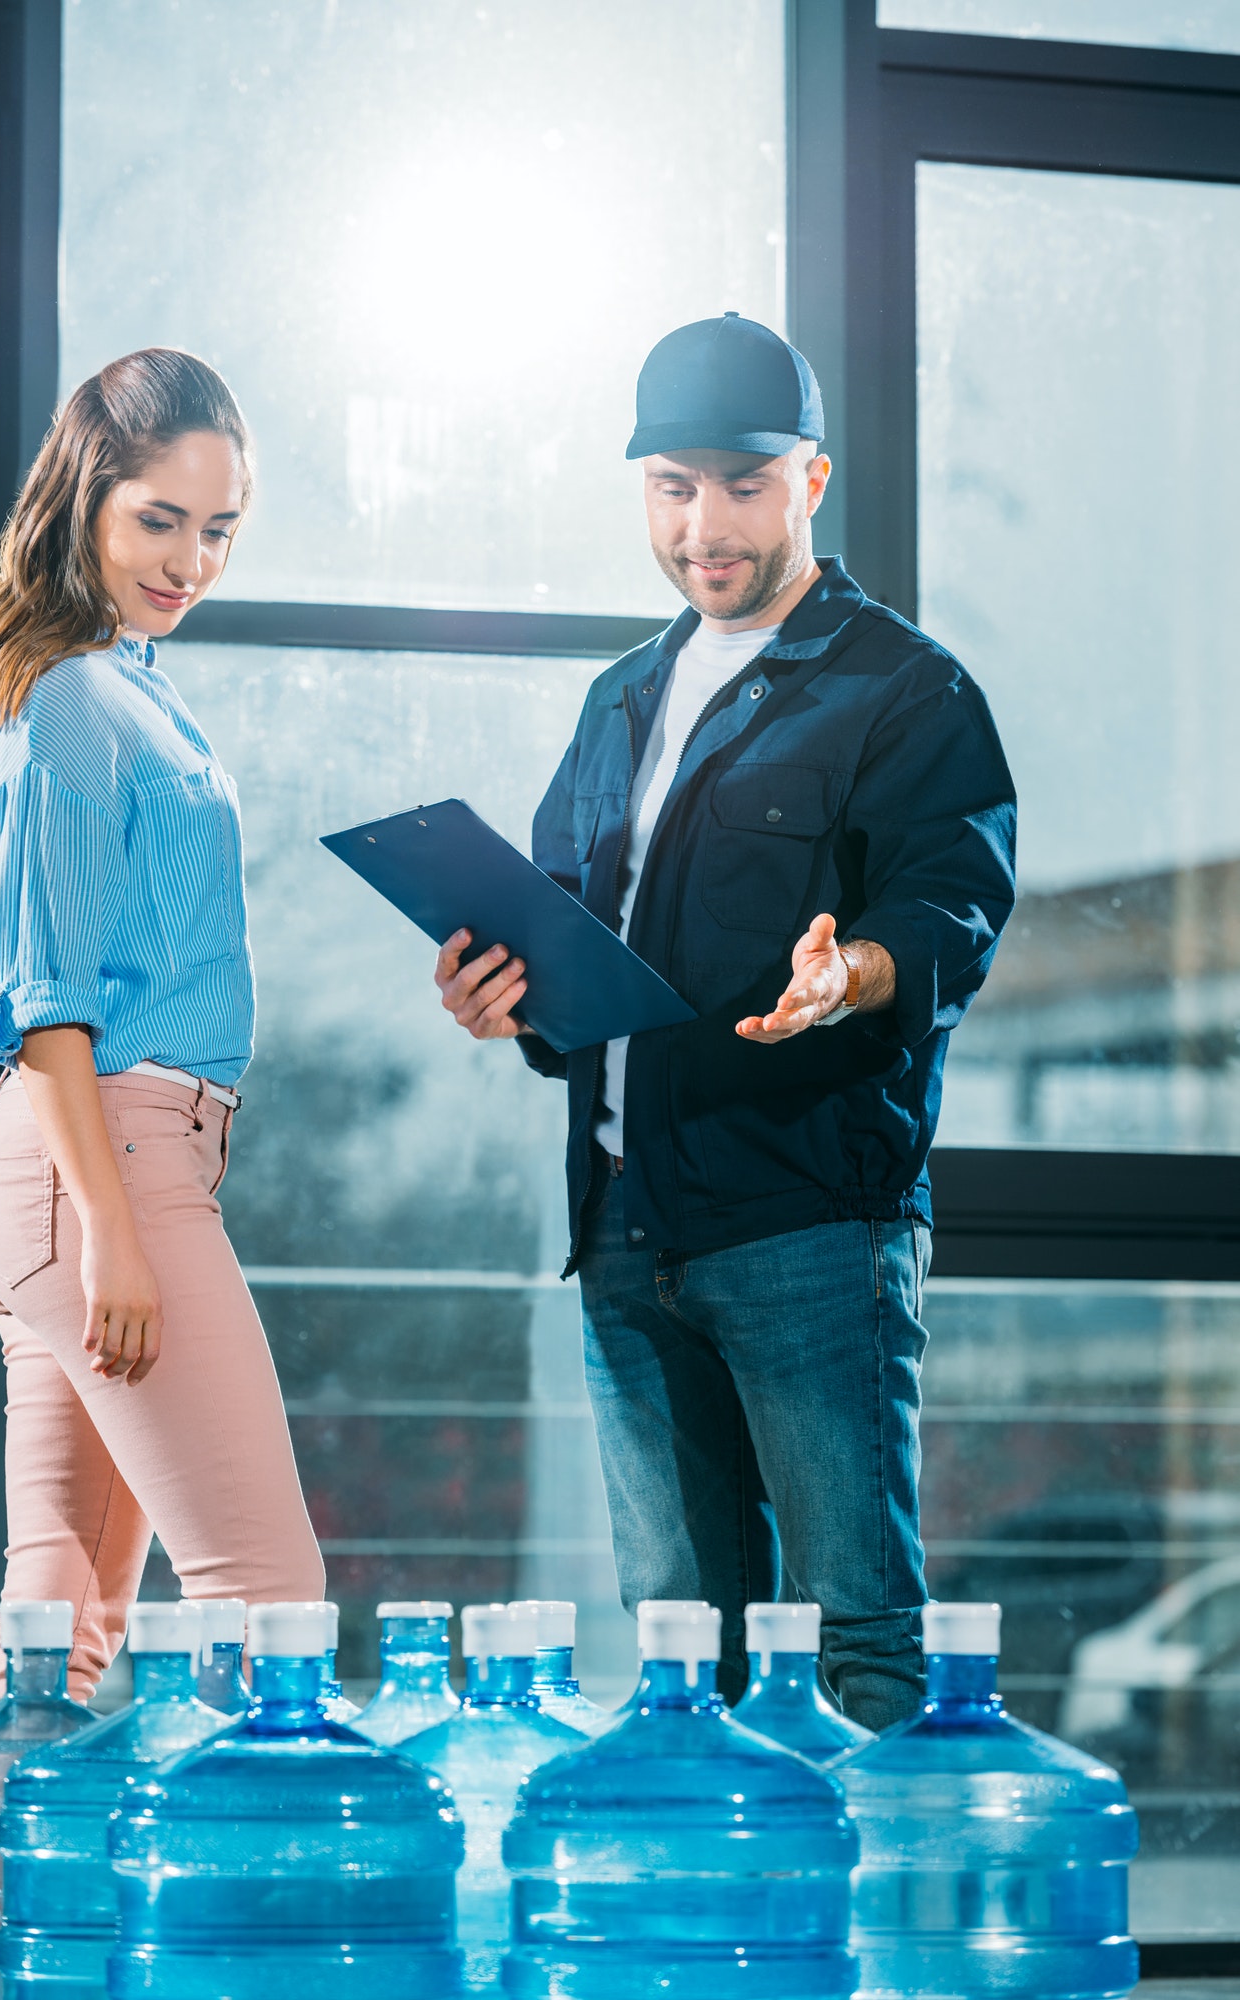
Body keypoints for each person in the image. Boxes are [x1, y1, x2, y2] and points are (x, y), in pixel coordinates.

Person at [435, 314, 1016, 1727]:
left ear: (810, 481)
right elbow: (568, 937)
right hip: (625, 1234)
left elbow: (952, 905)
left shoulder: (904, 690)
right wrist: (502, 998)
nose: (705, 526)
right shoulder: (620, 699)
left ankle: (865, 1890)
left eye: (744, 487)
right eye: (673, 488)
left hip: (805, 1226)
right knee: (682, 1662)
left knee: (856, 1642)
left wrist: (851, 973)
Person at [0, 348, 324, 1707]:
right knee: (268, 1600)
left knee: (58, 1631)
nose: (190, 560)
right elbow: (48, 996)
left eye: (220, 530)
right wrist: (111, 1228)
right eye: (160, 519)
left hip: (74, 1166)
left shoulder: (115, 679)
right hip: (99, 1158)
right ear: (84, 496)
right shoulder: (68, 697)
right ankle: (243, 1863)